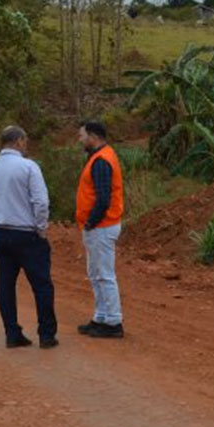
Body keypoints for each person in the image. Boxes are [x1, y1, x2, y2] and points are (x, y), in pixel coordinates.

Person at [0, 126, 58, 349]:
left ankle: (12, 333)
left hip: (1, 233)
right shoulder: (28, 166)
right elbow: (41, 202)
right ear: (19, 141)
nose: (26, 145)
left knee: (5, 283)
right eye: (25, 141)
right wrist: (41, 227)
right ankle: (46, 334)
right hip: (27, 234)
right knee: (42, 284)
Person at [75, 120, 125, 339]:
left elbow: (103, 198)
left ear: (93, 136)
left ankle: (113, 321)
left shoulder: (101, 161)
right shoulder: (100, 157)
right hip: (100, 226)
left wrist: (90, 222)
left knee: (104, 274)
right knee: (96, 274)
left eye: (82, 135)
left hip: (101, 226)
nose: (80, 139)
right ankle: (101, 317)